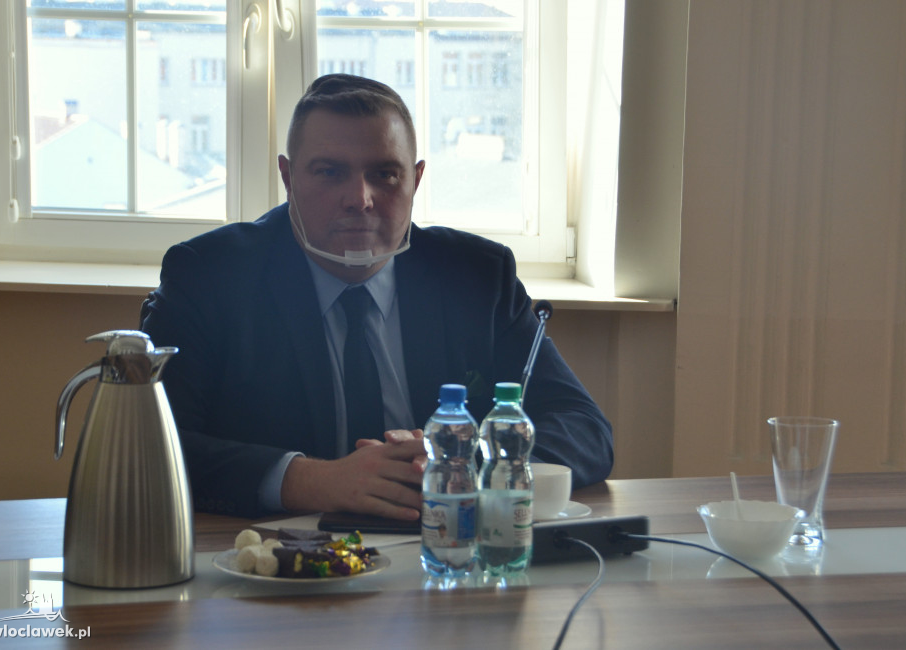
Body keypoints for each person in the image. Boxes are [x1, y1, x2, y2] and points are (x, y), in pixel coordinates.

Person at [141, 74, 613, 520]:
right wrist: (308, 480)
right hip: (276, 552)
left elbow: (584, 428)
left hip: (443, 545)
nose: (360, 198)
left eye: (385, 174)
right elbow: (149, 444)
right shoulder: (211, 274)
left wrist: (460, 462)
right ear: (288, 177)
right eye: (330, 172)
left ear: (416, 180)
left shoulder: (476, 276)